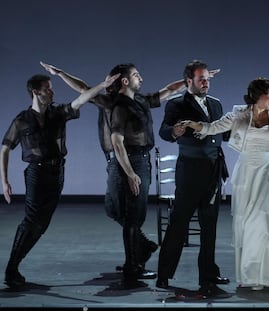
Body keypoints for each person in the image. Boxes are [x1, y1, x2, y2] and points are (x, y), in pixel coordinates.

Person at [39, 61, 192, 278]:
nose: (142, 79)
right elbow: (83, 88)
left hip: (138, 159)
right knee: (114, 208)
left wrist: (191, 81)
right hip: (122, 160)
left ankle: (134, 262)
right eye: (137, 75)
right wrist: (61, 73)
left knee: (131, 214)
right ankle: (141, 249)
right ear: (126, 80)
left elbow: (169, 90)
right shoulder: (111, 102)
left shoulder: (141, 100)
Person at [182, 77, 269, 290]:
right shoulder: (239, 114)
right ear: (257, 95)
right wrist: (192, 124)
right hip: (246, 174)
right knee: (250, 224)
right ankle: (252, 275)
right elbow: (212, 127)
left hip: (267, 173)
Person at [1, 72, 119, 289]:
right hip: (36, 173)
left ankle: (14, 267)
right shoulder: (22, 120)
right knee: (31, 220)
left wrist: (102, 85)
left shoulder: (58, 113)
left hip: (57, 173)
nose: (52, 91)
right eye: (48, 88)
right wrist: (4, 180)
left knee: (41, 224)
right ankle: (11, 268)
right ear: (36, 93)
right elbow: (6, 147)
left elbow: (81, 99)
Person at [156, 60, 230, 298]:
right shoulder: (177, 104)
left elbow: (225, 133)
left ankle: (208, 274)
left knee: (210, 227)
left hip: (213, 172)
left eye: (207, 79)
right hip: (189, 172)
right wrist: (173, 132)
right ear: (189, 81)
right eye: (201, 79)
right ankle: (164, 274)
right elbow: (164, 130)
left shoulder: (216, 104)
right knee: (178, 224)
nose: (206, 83)